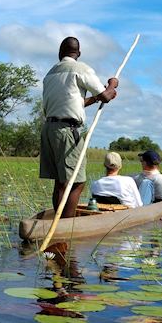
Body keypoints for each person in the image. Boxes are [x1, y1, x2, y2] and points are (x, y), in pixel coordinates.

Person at [40, 36, 119, 218]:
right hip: (67, 131)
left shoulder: (50, 73)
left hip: (49, 129)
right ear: (79, 54)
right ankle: (66, 224)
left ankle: (59, 221)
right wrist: (112, 84)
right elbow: (106, 95)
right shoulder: (80, 69)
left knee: (61, 182)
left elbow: (76, 102)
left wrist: (97, 97)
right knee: (76, 182)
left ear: (60, 54)